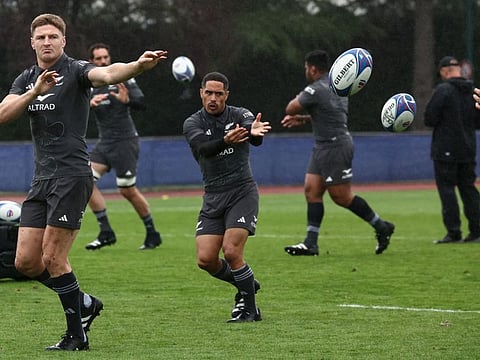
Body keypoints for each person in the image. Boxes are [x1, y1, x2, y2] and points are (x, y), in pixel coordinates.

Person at [0, 13, 167, 351]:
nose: (47, 42)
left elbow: (106, 73)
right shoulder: (27, 79)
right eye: (41, 37)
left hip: (72, 176)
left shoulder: (76, 70)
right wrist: (36, 90)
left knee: (53, 258)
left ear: (64, 41)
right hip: (41, 179)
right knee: (26, 263)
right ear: (31, 43)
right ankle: (86, 303)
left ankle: (77, 334)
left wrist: (136, 66)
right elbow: (4, 114)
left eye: (53, 37)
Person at [281, 50, 395, 256]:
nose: (306, 71)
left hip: (335, 146)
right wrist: (307, 119)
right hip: (324, 146)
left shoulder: (316, 89)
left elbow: (290, 108)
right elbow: (329, 114)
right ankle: (311, 243)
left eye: (306, 68)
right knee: (311, 190)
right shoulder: (339, 86)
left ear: (313, 68)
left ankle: (382, 226)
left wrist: (300, 101)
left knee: (341, 197)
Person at [183, 72, 271, 322]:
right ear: (201, 93)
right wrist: (225, 140)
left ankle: (250, 310)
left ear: (226, 96)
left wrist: (254, 133)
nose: (213, 98)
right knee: (205, 259)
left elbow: (255, 136)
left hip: (242, 192)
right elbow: (203, 149)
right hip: (213, 196)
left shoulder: (240, 115)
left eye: (218, 94)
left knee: (232, 251)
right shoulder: (193, 122)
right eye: (208, 93)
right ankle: (247, 286)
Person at [85, 43, 162, 250]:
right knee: (84, 181)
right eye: (98, 58)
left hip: (125, 141)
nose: (103, 61)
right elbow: (76, 109)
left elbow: (141, 103)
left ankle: (152, 233)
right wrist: (88, 106)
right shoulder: (90, 84)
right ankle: (106, 232)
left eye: (105, 57)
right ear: (92, 61)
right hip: (104, 143)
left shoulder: (122, 77)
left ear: (109, 58)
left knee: (126, 190)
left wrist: (127, 101)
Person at [424, 56, 480, 244]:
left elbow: (430, 118)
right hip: (468, 147)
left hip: (445, 149)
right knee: (469, 189)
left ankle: (453, 232)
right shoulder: (473, 90)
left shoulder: (443, 90)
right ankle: (477, 231)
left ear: (444, 71)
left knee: (447, 190)